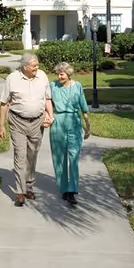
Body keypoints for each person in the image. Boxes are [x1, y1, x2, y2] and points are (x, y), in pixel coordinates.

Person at [0, 53, 54, 207]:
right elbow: (4, 103)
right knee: (20, 156)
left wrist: (51, 116)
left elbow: (47, 99)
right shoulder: (12, 78)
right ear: (25, 67)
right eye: (34, 65)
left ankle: (29, 186)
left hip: (37, 122)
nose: (38, 68)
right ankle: (20, 192)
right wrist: (1, 125)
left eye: (37, 65)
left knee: (32, 155)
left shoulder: (42, 76)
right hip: (17, 122)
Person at [49, 62, 90, 205]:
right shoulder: (52, 86)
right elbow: (47, 103)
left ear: (68, 74)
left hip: (74, 122)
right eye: (58, 74)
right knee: (59, 157)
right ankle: (64, 189)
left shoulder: (77, 86)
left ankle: (72, 190)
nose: (59, 76)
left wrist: (88, 126)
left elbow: (83, 107)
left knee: (73, 157)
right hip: (58, 122)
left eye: (62, 74)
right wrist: (47, 116)